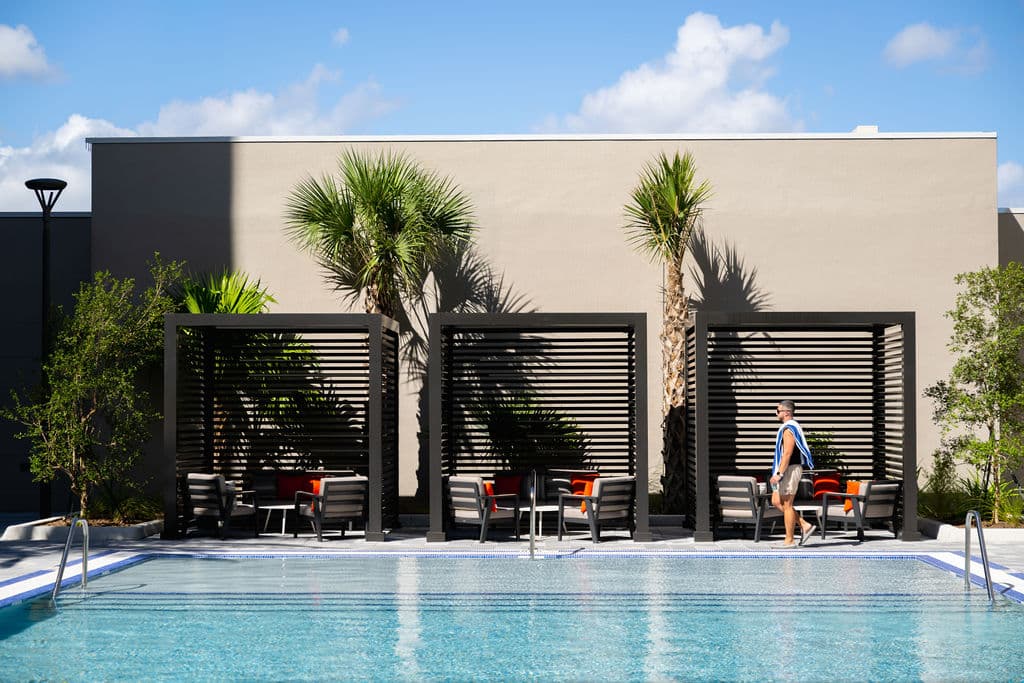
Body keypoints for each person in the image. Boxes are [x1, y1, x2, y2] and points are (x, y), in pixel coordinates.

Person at [769, 400, 815, 547]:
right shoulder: (789, 427)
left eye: (778, 410)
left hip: (790, 469)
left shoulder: (789, 429)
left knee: (787, 504)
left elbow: (787, 453)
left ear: (786, 412)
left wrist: (779, 473)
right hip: (788, 469)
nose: (776, 413)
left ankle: (789, 540)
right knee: (776, 501)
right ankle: (804, 524)